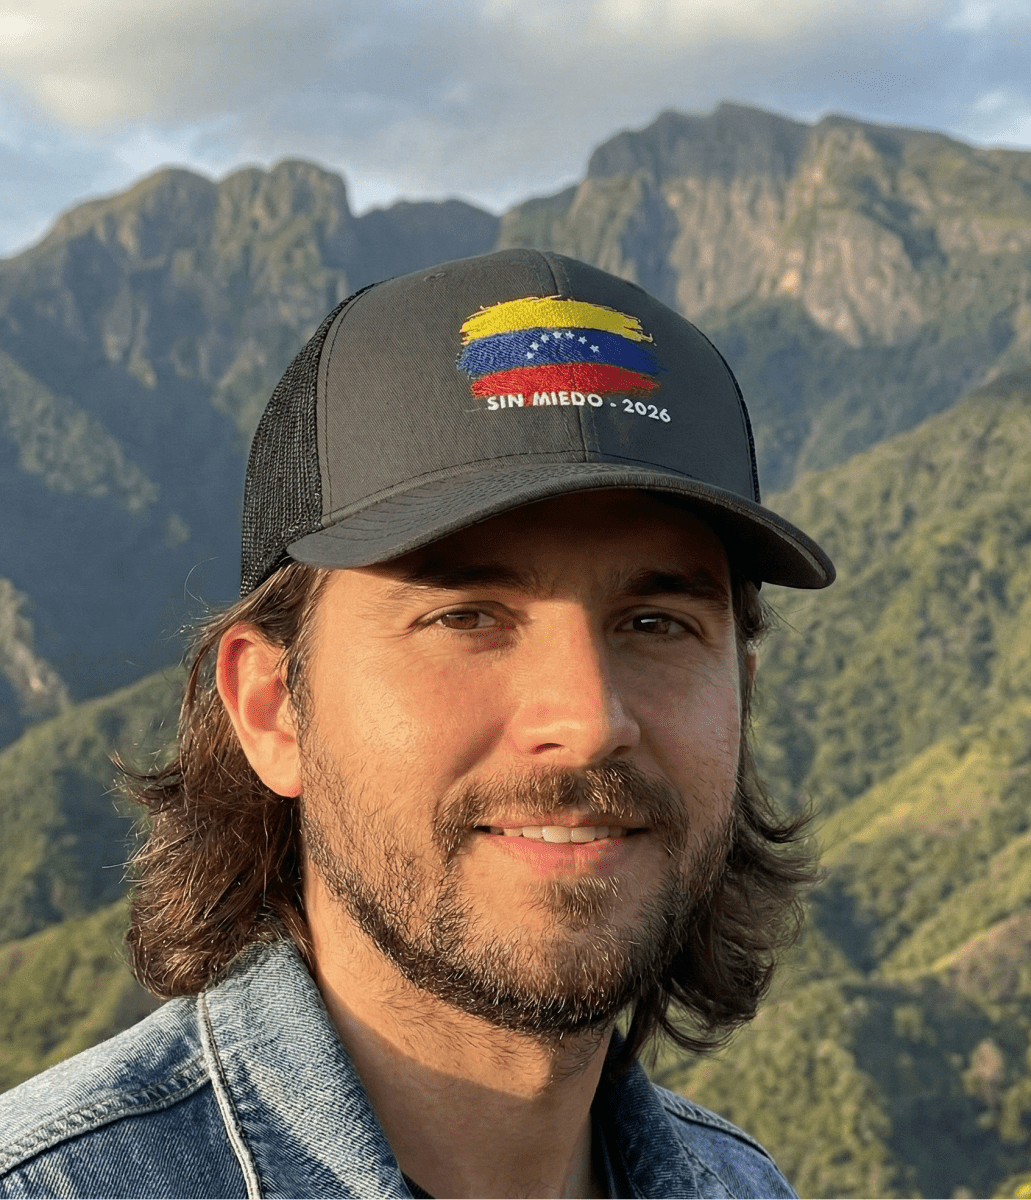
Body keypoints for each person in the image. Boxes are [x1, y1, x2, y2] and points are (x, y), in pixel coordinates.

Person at [0, 249, 834, 1199]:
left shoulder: (741, 1186)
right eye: (464, 617)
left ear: (741, 692)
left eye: (656, 624)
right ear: (274, 709)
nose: (588, 719)